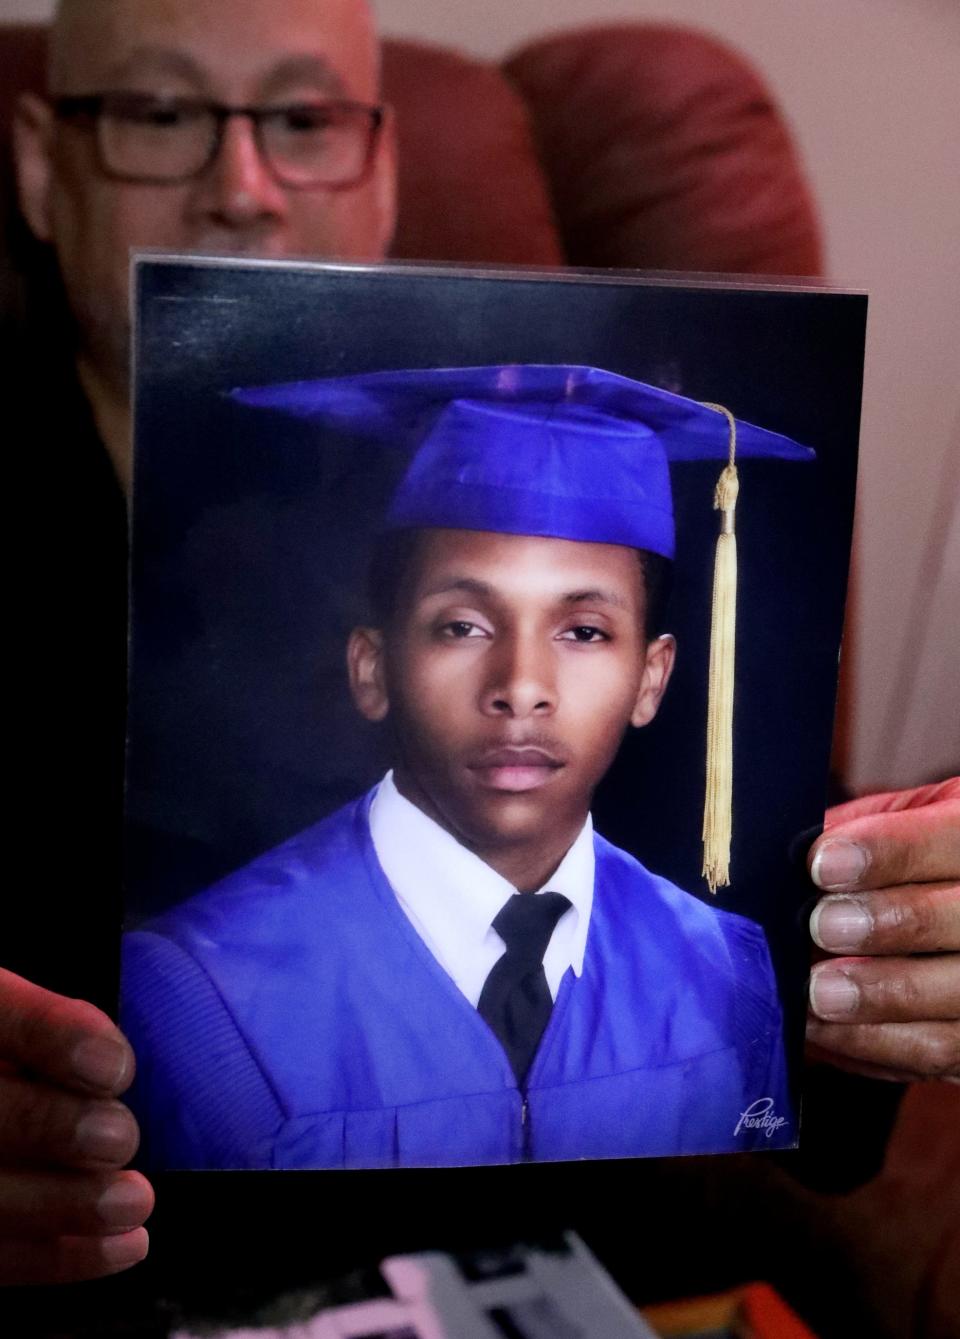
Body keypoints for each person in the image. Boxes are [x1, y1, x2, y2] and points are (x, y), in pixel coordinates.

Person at [2, 0, 958, 1295]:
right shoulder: (210, 964)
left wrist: (884, 952)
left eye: (303, 119)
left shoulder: (702, 945)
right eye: (160, 114)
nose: (244, 189)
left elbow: (801, 1106)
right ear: (39, 162)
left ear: (385, 171)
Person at [122, 364, 813, 1170]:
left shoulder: (726, 976)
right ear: (373, 668)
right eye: (461, 626)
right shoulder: (198, 996)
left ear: (651, 679)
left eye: (584, 631)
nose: (521, 687)